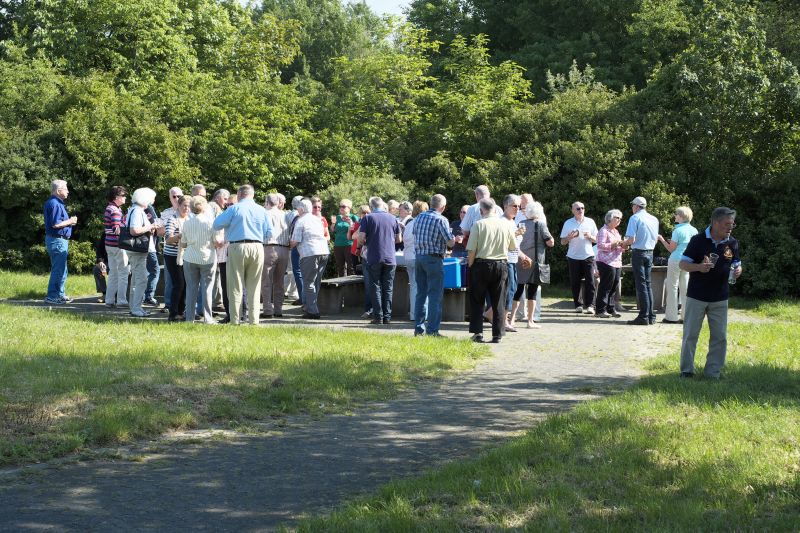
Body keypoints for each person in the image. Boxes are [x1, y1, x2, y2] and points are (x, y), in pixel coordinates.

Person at [679, 207, 742, 379]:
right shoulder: (698, 240)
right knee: (691, 335)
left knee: (719, 337)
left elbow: (736, 262)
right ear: (715, 223)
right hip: (696, 296)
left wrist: (738, 270)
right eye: (727, 224)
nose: (730, 227)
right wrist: (699, 267)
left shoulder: (732, 243)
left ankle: (713, 372)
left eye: (732, 224)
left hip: (720, 297)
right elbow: (683, 264)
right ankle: (686, 370)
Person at [212, 184, 272, 325]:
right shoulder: (262, 210)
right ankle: (254, 321)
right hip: (257, 246)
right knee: (254, 286)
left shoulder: (234, 208)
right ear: (252, 195)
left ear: (239, 195)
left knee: (235, 285)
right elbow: (269, 233)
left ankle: (235, 320)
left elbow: (216, 225)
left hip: (237, 246)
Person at [466, 198, 517, 343]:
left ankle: (478, 333)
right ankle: (498, 334)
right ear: (495, 209)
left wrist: (470, 265)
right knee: (499, 300)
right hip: (501, 264)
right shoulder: (505, 225)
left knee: (477, 300)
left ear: (481, 210)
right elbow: (513, 246)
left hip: (481, 264)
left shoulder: (478, 224)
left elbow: (472, 250)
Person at [412, 195, 453, 336]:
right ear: (442, 207)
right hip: (434, 259)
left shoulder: (418, 218)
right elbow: (450, 243)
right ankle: (433, 330)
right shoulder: (441, 219)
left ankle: (419, 329)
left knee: (421, 294)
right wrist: (455, 239)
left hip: (419, 258)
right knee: (435, 295)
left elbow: (415, 235)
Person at [357, 196, 402, 325]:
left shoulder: (368, 218)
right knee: (388, 287)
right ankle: (387, 317)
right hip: (390, 257)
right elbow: (399, 238)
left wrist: (366, 242)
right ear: (382, 205)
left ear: (371, 207)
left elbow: (361, 238)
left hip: (374, 257)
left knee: (375, 286)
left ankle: (378, 317)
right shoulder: (393, 218)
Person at [509, 201, 553, 330]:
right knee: (532, 292)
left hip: (521, 260)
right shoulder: (541, 224)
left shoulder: (520, 224)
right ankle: (530, 321)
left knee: (518, 291)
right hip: (535, 262)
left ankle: (511, 320)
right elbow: (550, 242)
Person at [181, 196, 220, 324]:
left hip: (190, 258)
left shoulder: (186, 222)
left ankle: (189, 318)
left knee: (191, 288)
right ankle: (208, 318)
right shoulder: (211, 222)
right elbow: (216, 241)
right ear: (204, 207)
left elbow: (183, 243)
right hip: (207, 258)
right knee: (207, 288)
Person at [290, 198, 330, 319]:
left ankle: (313, 311)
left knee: (308, 282)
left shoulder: (301, 221)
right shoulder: (317, 219)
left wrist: (288, 245)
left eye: (298, 208)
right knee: (316, 281)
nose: (297, 210)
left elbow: (295, 240)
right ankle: (310, 307)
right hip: (324, 251)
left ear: (301, 209)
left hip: (310, 253)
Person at [623, 196, 660, 325]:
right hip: (650, 252)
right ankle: (651, 315)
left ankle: (644, 316)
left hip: (638, 253)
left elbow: (631, 239)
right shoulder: (654, 219)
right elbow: (655, 239)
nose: (632, 208)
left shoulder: (634, 218)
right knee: (648, 284)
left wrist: (623, 243)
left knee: (641, 285)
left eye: (633, 205)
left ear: (637, 206)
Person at [658, 206, 698, 324]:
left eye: (676, 214)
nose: (675, 216)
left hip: (675, 260)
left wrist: (661, 239)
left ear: (681, 216)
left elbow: (671, 249)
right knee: (685, 288)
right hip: (688, 261)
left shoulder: (677, 230)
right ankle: (685, 317)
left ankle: (671, 317)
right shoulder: (694, 230)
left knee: (672, 287)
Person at [126, 188, 162, 317]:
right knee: (141, 279)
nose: (152, 202)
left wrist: (149, 229)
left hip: (137, 250)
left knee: (137, 279)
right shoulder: (137, 211)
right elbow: (134, 230)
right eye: (151, 199)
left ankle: (134, 307)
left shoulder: (134, 209)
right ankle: (136, 308)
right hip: (137, 250)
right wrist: (151, 227)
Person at [43, 179, 78, 304]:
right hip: (57, 240)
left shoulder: (57, 203)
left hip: (59, 240)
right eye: (66, 188)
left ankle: (60, 294)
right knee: (58, 269)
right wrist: (71, 221)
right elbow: (55, 224)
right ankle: (52, 296)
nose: (68, 191)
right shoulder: (55, 204)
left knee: (62, 269)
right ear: (58, 191)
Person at [559, 201, 598, 314]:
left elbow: (597, 240)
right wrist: (568, 237)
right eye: (578, 209)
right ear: (573, 211)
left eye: (582, 208)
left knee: (591, 281)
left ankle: (591, 305)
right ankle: (578, 305)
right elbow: (562, 242)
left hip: (588, 255)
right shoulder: (568, 223)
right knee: (575, 282)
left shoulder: (590, 222)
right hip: (573, 256)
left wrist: (590, 236)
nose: (581, 210)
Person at [261, 193, 291, 318]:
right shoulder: (285, 215)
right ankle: (278, 309)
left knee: (266, 281)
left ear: (267, 202)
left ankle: (268, 310)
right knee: (279, 282)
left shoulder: (265, 214)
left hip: (269, 248)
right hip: (284, 249)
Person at [595, 209, 625, 318]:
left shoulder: (616, 232)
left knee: (614, 286)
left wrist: (623, 246)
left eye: (620, 218)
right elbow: (600, 246)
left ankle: (611, 308)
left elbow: (618, 248)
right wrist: (613, 244)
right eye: (617, 217)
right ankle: (600, 310)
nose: (619, 220)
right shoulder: (603, 231)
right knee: (605, 286)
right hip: (605, 261)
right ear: (609, 218)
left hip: (616, 262)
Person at [164, 196, 190, 322]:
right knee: (178, 283)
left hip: (187, 256)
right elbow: (168, 239)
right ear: (179, 206)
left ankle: (181, 312)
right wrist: (181, 236)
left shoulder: (190, 219)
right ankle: (173, 313)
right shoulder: (172, 219)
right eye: (184, 205)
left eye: (189, 206)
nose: (187, 208)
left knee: (184, 284)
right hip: (173, 256)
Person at [102, 185, 128, 308]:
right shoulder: (116, 210)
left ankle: (109, 300)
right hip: (118, 245)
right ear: (117, 197)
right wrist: (126, 223)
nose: (125, 197)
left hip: (109, 244)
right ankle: (122, 300)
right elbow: (117, 229)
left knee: (113, 272)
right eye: (123, 195)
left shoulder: (109, 207)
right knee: (123, 272)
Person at [500, 195, 522, 332]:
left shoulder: (512, 221)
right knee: (508, 290)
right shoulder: (502, 221)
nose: (517, 209)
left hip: (513, 260)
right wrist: (516, 234)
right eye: (514, 206)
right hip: (505, 260)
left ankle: (498, 317)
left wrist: (523, 256)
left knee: (512, 289)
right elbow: (502, 242)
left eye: (519, 206)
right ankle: (503, 321)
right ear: (506, 206)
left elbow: (516, 246)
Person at [160, 186, 184, 312]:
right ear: (170, 198)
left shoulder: (188, 211)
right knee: (170, 279)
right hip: (171, 250)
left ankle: (181, 307)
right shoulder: (166, 213)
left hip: (185, 251)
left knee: (183, 281)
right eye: (173, 196)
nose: (176, 199)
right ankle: (168, 304)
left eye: (179, 196)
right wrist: (172, 226)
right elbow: (159, 232)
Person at [348, 205, 373, 318]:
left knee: (371, 284)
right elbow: (354, 236)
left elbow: (357, 237)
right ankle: (371, 310)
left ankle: (372, 310)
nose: (365, 215)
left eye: (367, 212)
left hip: (369, 255)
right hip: (368, 255)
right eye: (363, 213)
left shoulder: (368, 221)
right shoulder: (362, 222)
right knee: (370, 284)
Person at [331, 198, 358, 277]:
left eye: (343, 206)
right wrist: (333, 223)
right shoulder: (338, 217)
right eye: (340, 206)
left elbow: (357, 231)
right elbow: (333, 230)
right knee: (340, 268)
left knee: (351, 267)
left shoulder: (353, 217)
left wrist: (350, 223)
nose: (341, 208)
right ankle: (343, 288)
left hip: (349, 244)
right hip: (338, 245)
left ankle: (352, 286)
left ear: (349, 208)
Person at [287, 195, 305, 306]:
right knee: (297, 272)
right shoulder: (295, 216)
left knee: (298, 272)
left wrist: (291, 245)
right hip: (298, 247)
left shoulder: (298, 217)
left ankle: (303, 297)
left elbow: (296, 235)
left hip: (298, 247)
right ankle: (302, 296)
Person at [93, 235, 108, 303]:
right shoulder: (105, 233)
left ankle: (119, 294)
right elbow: (99, 250)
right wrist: (100, 261)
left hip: (122, 263)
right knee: (97, 269)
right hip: (108, 263)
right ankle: (105, 294)